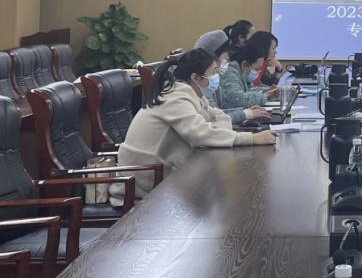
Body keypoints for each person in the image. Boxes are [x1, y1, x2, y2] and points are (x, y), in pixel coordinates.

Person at [110, 49, 276, 203]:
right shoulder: (175, 98)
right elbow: (202, 134)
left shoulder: (192, 94)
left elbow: (218, 117)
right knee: (214, 197)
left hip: (162, 172)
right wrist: (251, 138)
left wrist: (217, 128)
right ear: (196, 77)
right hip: (142, 181)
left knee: (214, 193)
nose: (217, 77)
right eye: (213, 72)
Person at [193, 30, 270, 125]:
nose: (224, 64)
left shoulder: (211, 83)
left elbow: (217, 113)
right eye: (222, 60)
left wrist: (246, 110)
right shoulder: (201, 83)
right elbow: (213, 121)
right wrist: (245, 114)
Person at [218, 39, 278, 108]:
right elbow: (236, 99)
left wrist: (267, 90)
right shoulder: (229, 73)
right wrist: (265, 96)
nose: (258, 72)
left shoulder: (241, 72)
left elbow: (248, 90)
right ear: (244, 64)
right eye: (257, 69)